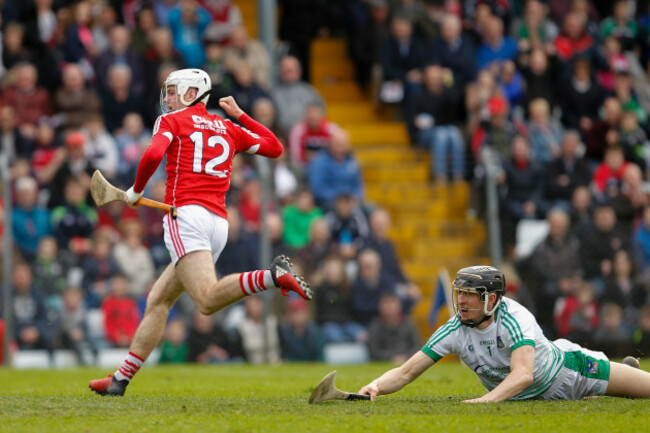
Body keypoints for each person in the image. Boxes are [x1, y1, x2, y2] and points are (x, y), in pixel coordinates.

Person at [89, 68, 312, 396]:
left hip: (185, 217)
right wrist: (241, 116)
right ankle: (120, 381)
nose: (167, 99)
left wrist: (136, 191)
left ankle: (273, 276)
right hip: (218, 224)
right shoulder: (227, 126)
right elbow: (275, 147)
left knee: (206, 300)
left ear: (193, 94)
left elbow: (152, 154)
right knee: (159, 299)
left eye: (173, 92)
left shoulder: (172, 122)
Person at [357, 265, 650, 402]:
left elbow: (524, 375)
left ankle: (621, 375)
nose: (460, 301)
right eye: (460, 294)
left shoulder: (515, 318)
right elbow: (407, 372)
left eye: (470, 295)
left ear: (492, 299)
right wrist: (375, 387)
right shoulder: (455, 327)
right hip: (523, 397)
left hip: (570, 374)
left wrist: (485, 402)